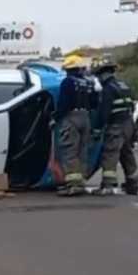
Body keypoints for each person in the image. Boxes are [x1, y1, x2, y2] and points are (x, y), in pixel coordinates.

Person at [92, 58, 138, 196]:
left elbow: (104, 112)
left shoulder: (108, 89)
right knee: (127, 154)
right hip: (129, 124)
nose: (98, 79)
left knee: (110, 154)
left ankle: (108, 186)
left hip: (116, 126)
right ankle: (133, 184)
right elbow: (132, 106)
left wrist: (97, 128)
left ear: (103, 74)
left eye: (98, 76)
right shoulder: (124, 86)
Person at [54, 55, 97, 197]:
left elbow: (63, 104)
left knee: (69, 151)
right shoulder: (88, 83)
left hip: (71, 117)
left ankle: (73, 185)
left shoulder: (67, 82)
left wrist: (54, 118)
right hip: (86, 118)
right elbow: (95, 102)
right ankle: (80, 182)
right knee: (82, 151)